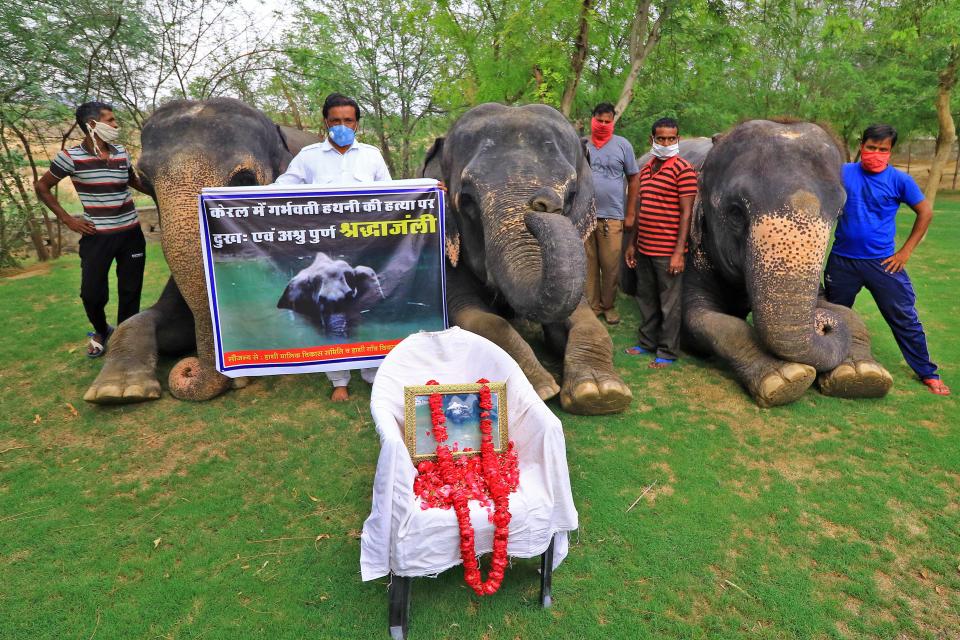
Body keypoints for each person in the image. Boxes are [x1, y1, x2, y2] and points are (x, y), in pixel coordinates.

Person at [274, 92, 390, 402]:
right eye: (335, 120)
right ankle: (339, 378)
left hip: (363, 245)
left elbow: (392, 196)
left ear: (357, 124)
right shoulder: (309, 157)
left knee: (359, 314)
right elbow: (279, 192)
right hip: (322, 246)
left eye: (348, 120)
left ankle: (373, 374)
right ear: (326, 122)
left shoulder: (372, 156)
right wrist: (226, 198)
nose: (341, 125)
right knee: (331, 317)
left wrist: (430, 191)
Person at [824, 124, 949, 396]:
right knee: (833, 316)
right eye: (871, 147)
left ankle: (927, 372)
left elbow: (925, 212)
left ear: (890, 152)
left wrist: (905, 252)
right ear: (862, 146)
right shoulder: (843, 172)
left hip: (883, 263)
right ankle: (828, 364)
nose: (876, 153)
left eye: (883, 150)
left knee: (904, 317)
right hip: (842, 261)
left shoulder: (900, 181)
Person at [35, 101, 148, 358]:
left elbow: (132, 181)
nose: (115, 125)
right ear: (92, 124)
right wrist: (67, 219)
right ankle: (101, 329)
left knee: (131, 290)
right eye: (110, 120)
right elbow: (42, 187)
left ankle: (125, 339)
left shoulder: (121, 153)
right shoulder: (70, 157)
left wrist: (162, 194)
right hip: (97, 237)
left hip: (130, 233)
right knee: (92, 294)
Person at [624, 117, 697, 368]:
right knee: (646, 298)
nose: (666, 143)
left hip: (667, 251)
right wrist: (633, 243)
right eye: (661, 139)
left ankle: (667, 352)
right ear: (652, 139)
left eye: (671, 139)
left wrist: (678, 253)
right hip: (644, 247)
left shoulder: (684, 170)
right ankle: (646, 343)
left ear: (678, 139)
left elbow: (687, 214)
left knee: (669, 304)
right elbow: (641, 208)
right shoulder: (646, 170)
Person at [583, 102, 640, 325]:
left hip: (612, 216)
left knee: (610, 265)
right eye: (600, 120)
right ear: (593, 119)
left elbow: (634, 178)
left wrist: (630, 213)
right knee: (588, 265)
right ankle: (593, 306)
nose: (604, 125)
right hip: (585, 217)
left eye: (608, 121)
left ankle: (608, 306)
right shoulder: (582, 144)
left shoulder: (623, 146)